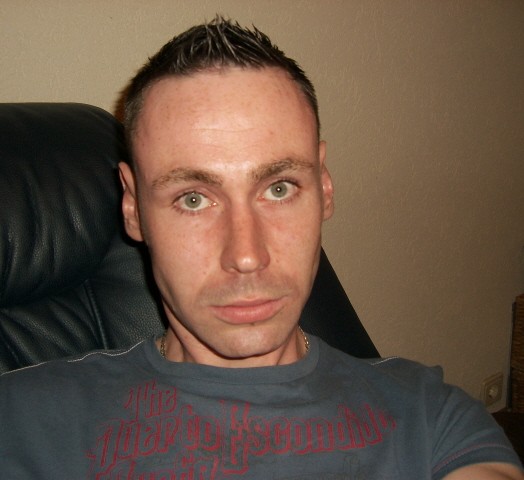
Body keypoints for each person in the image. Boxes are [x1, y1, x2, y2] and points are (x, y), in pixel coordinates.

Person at [0, 17, 522, 480]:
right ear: (133, 207)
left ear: (324, 188)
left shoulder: (431, 417)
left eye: (278, 188)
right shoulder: (23, 421)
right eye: (193, 198)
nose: (247, 256)